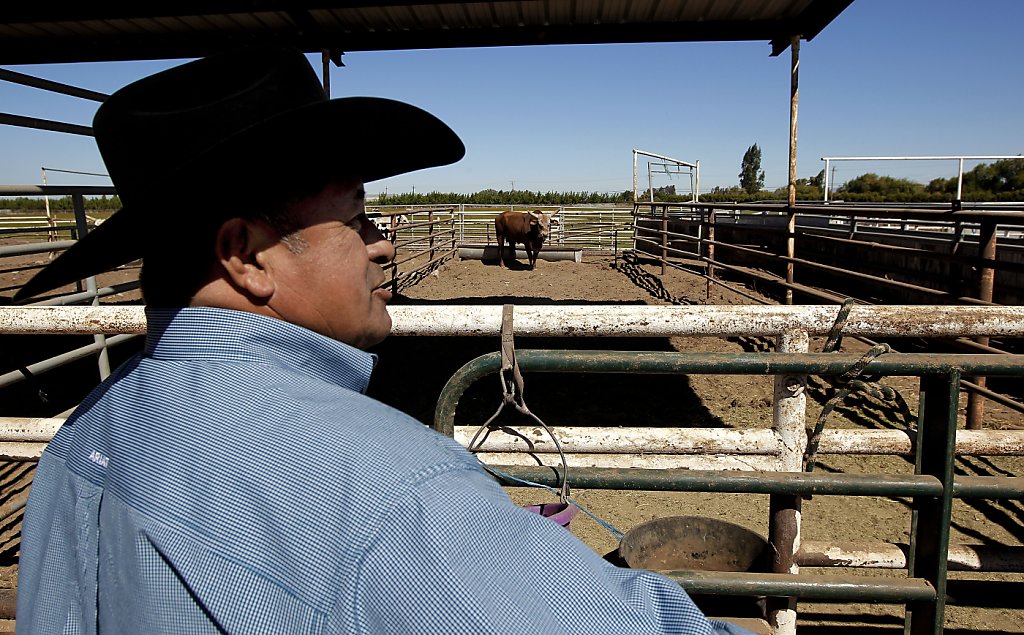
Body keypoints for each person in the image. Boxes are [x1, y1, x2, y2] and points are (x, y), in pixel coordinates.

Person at [15, 46, 753, 634]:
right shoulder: (397, 494)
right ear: (245, 255)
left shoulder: (80, 443)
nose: (383, 243)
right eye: (357, 216)